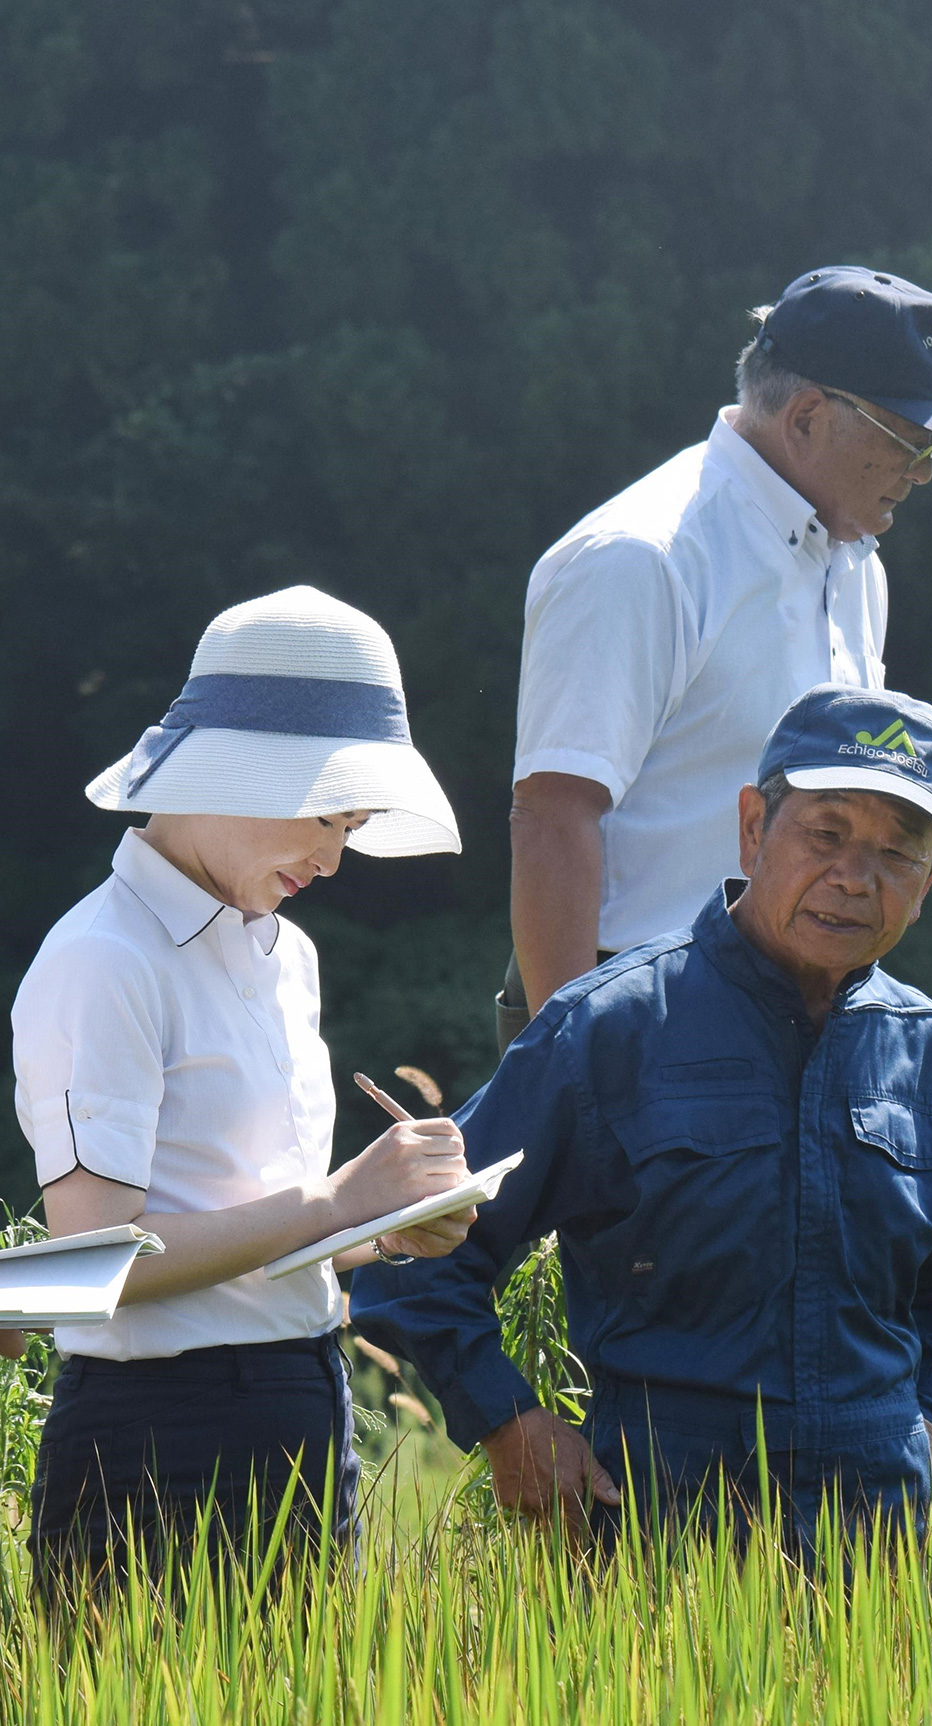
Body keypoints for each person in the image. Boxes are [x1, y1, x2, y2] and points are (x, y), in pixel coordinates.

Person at [354, 686, 932, 1553]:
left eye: (896, 853)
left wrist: (920, 1408)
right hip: (659, 1530)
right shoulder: (612, 1027)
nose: (854, 879)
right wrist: (508, 1422)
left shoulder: (930, 1053)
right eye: (824, 835)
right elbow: (413, 1254)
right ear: (754, 826)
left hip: (878, 1546)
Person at [12, 586, 478, 1584]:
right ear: (228, 768)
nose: (334, 857)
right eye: (323, 816)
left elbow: (251, 1222)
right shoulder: (104, 957)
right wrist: (341, 1198)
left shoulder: (287, 952)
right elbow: (93, 1266)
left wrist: (386, 1227)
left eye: (351, 824)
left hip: (306, 1407)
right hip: (157, 1447)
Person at [500, 265, 932, 1051]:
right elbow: (553, 812)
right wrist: (570, 1065)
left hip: (788, 1018)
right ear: (807, 416)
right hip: (629, 1017)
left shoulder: (855, 564)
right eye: (912, 439)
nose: (925, 470)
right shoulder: (642, 555)